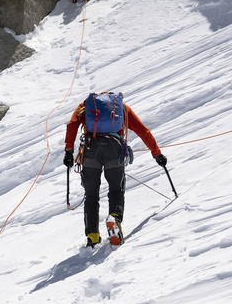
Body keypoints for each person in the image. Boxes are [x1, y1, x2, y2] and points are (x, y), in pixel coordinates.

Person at [63, 92, 167, 247]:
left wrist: (69, 151)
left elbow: (72, 124)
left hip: (91, 149)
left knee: (91, 195)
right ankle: (114, 219)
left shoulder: (86, 106)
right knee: (116, 190)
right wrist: (157, 154)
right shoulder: (122, 108)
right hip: (114, 150)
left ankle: (92, 236)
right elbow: (142, 131)